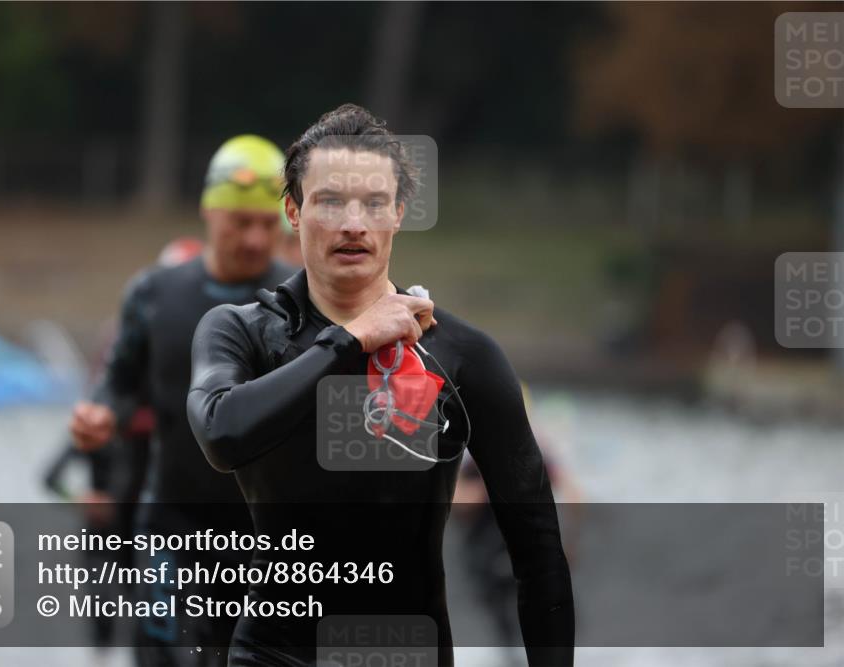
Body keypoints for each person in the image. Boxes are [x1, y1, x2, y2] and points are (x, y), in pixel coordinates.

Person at [187, 105, 574, 666]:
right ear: (293, 211)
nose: (353, 223)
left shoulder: (461, 356)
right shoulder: (240, 332)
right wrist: (348, 341)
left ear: (398, 213)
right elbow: (222, 435)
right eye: (330, 201)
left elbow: (537, 548)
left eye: (373, 203)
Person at [69, 135, 295, 666]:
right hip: (172, 519)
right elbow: (119, 381)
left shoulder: (297, 297)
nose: (257, 238)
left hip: (265, 528)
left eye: (269, 224)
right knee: (162, 655)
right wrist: (101, 415)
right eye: (241, 222)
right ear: (209, 211)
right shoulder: (155, 293)